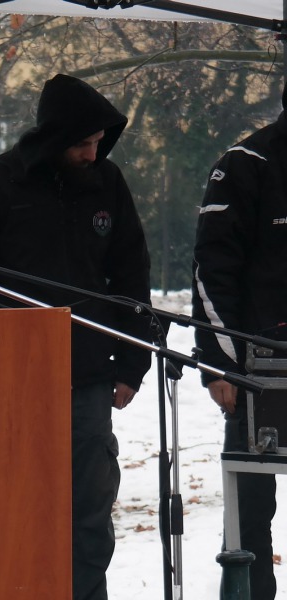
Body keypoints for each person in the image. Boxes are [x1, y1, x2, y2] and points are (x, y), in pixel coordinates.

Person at [0, 73, 152, 600]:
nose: (93, 154)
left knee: (88, 513)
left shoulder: (108, 182)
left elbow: (131, 277)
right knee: (13, 512)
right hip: (8, 383)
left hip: (88, 379)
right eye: (83, 143)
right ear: (56, 138)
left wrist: (131, 365)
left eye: (99, 144)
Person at [191, 83, 287, 600]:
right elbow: (211, 268)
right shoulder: (247, 162)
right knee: (250, 514)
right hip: (256, 367)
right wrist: (219, 363)